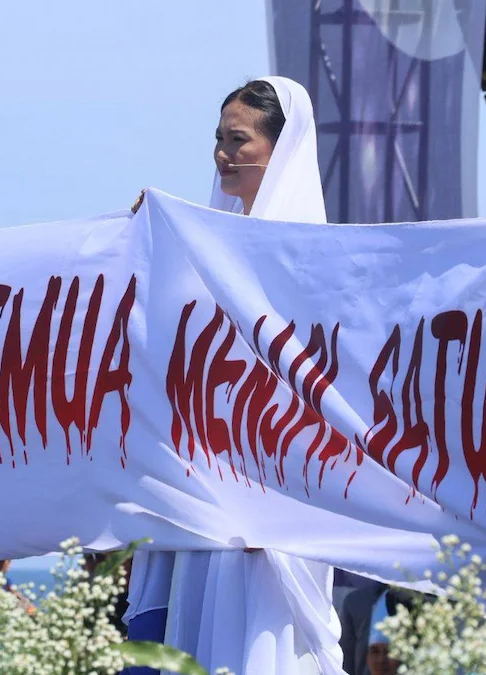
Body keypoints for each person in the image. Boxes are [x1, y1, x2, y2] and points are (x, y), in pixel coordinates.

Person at [125, 77, 344, 675]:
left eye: (238, 139)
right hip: (205, 487)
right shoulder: (207, 249)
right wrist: (149, 242)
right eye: (219, 139)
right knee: (198, 630)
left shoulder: (313, 256)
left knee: (260, 641)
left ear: (282, 149)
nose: (222, 153)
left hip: (277, 490)